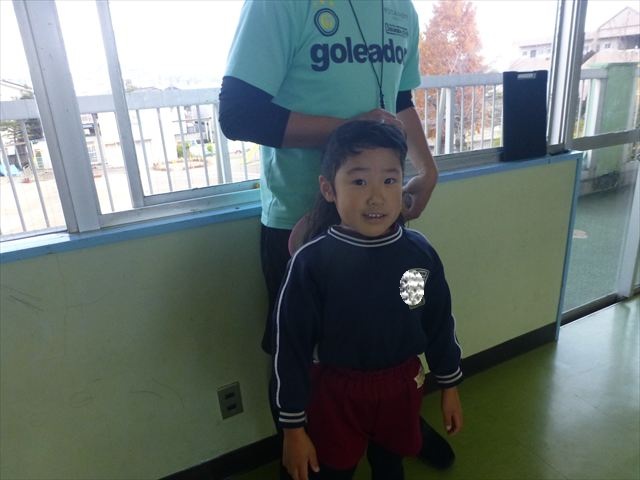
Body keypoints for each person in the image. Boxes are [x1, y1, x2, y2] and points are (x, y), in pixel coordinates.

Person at [219, 0, 456, 471]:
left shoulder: (401, 9)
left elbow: (399, 97)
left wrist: (427, 169)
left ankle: (395, 424)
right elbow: (239, 114)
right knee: (302, 350)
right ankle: (302, 453)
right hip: (300, 219)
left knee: (392, 324)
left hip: (379, 215)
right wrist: (350, 130)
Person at [273, 120, 463, 480]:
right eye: (359, 181)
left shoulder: (416, 255)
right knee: (334, 471)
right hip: (335, 393)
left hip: (401, 389)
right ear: (329, 189)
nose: (376, 196)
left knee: (390, 466)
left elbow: (436, 322)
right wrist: (293, 429)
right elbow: (292, 348)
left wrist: (449, 385)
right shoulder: (312, 263)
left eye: (390, 180)